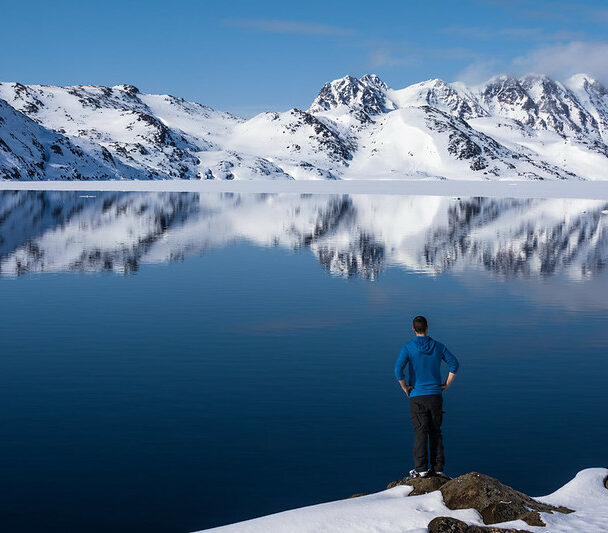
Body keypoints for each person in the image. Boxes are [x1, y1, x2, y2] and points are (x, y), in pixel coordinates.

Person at [394, 315, 459, 478]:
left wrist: (404, 387)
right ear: (427, 328)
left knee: (420, 432)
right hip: (435, 395)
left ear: (413, 329)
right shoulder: (438, 346)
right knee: (435, 431)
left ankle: (421, 469)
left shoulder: (408, 347)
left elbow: (398, 371)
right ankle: (438, 469)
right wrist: (447, 384)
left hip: (417, 396)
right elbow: (454, 364)